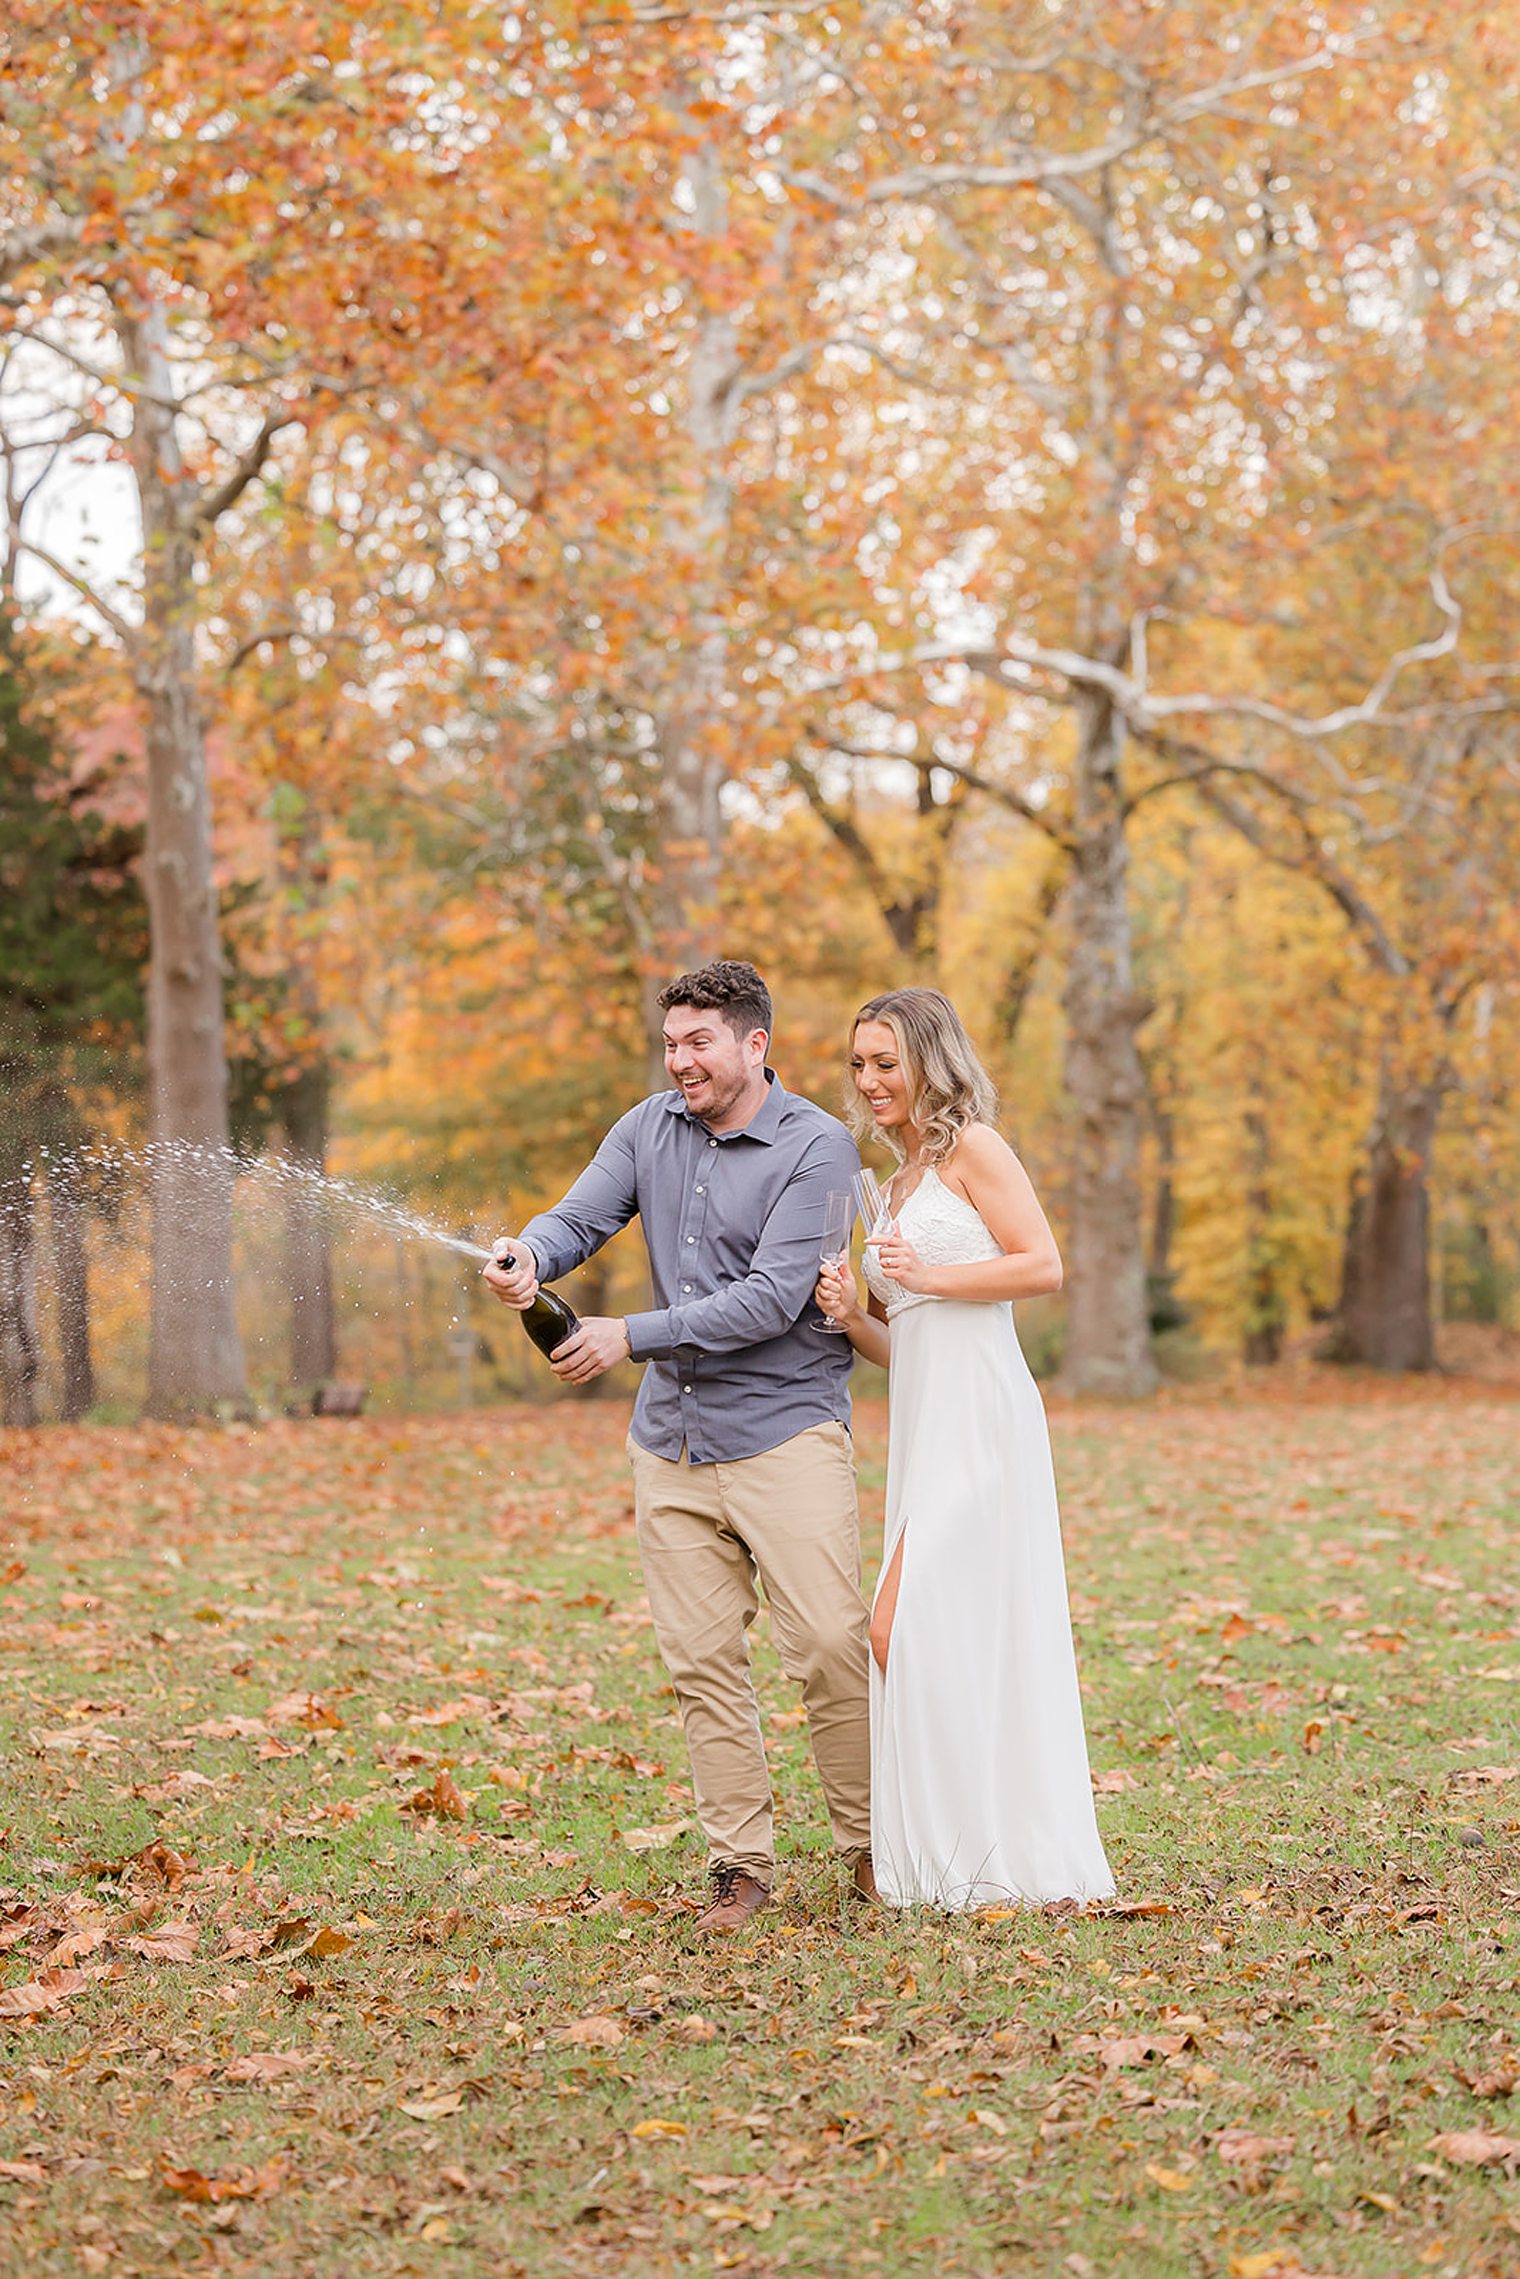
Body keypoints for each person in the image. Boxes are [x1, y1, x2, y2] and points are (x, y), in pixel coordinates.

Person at [483, 959, 875, 1933]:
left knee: (829, 1643)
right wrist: (531, 1253)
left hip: (785, 1428)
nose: (678, 1060)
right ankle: (739, 1865)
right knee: (701, 1659)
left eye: (698, 1041)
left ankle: (872, 1844)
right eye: (670, 1043)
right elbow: (580, 1217)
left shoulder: (818, 1147)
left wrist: (629, 1332)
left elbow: (772, 1299)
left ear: (755, 1044)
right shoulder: (646, 1125)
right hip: (672, 1441)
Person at [816, 987, 1114, 1911]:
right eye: (860, 1064)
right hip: (924, 1423)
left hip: (985, 1420)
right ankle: (949, 1853)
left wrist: (929, 1274)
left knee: (893, 1625)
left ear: (929, 1062)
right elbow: (912, 1338)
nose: (869, 1082)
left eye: (886, 1063)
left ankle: (976, 1850)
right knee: (931, 1631)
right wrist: (855, 1315)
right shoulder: (891, 1185)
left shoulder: (974, 1149)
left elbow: (1044, 1264)